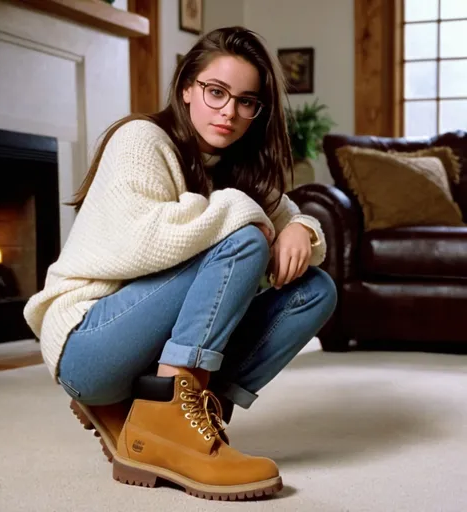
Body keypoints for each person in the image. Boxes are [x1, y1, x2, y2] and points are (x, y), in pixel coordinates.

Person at [24, 26, 337, 501]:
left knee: (315, 290)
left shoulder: (235, 166)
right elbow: (143, 241)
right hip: (88, 342)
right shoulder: (140, 139)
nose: (229, 111)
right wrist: (251, 217)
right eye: (216, 92)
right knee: (246, 240)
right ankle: (167, 416)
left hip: (143, 349)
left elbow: (291, 224)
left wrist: (301, 229)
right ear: (188, 87)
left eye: (246, 101)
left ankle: (188, 408)